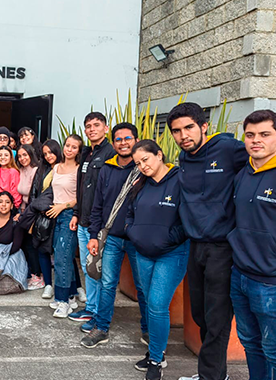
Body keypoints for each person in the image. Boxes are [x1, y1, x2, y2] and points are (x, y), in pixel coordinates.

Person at [168, 103, 248, 380]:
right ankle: (215, 374)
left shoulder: (228, 150)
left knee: (217, 318)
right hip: (196, 246)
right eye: (176, 131)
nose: (183, 135)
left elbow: (269, 161)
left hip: (223, 248)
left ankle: (211, 377)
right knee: (201, 315)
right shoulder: (183, 158)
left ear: (204, 127)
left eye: (189, 127)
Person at [228, 110, 276, 380]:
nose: (255, 140)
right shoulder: (244, 172)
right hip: (241, 276)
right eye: (250, 135)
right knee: (251, 344)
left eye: (264, 134)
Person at [82, 122, 148, 348]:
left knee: (143, 287)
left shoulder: (144, 169)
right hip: (112, 238)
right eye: (118, 139)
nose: (123, 143)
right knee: (108, 284)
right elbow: (97, 206)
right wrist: (93, 235)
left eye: (127, 138)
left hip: (139, 241)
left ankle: (149, 331)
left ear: (136, 140)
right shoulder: (107, 169)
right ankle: (101, 328)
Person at [126, 140, 188, 379]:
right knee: (148, 301)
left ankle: (155, 360)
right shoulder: (140, 184)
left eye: (146, 159)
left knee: (157, 305)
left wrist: (167, 240)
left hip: (171, 254)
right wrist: (133, 232)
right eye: (138, 163)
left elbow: (188, 220)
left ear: (159, 155)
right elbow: (129, 213)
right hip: (142, 252)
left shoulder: (180, 180)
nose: (142, 166)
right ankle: (156, 351)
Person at [67, 112, 116, 326]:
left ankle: (98, 315)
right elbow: (82, 189)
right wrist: (77, 213)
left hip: (99, 225)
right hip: (83, 221)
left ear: (106, 128)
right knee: (88, 268)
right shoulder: (86, 153)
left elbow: (107, 193)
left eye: (96, 125)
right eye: (88, 126)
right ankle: (90, 308)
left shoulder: (110, 153)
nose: (92, 129)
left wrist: (97, 227)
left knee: (99, 271)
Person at [47, 134, 82, 318]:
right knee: (61, 255)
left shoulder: (79, 170)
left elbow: (82, 197)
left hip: (69, 215)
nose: (69, 149)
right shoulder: (56, 167)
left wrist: (65, 206)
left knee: (62, 257)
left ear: (78, 150)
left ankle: (62, 302)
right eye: (67, 145)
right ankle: (70, 295)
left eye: (74, 147)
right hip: (56, 216)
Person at [29, 139, 62, 299]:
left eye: (51, 152)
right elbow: (34, 192)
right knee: (42, 249)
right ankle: (48, 284)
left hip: (60, 214)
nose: (48, 156)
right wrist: (34, 212)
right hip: (42, 214)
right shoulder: (41, 169)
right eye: (45, 153)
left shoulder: (64, 168)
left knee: (62, 252)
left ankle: (75, 287)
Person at [16, 144, 43, 290]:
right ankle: (31, 273)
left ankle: (37, 276)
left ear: (31, 154)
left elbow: (35, 195)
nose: (22, 158)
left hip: (33, 212)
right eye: (20, 156)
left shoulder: (36, 170)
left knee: (32, 245)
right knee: (25, 244)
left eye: (25, 155)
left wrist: (27, 215)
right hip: (23, 210)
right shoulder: (20, 169)